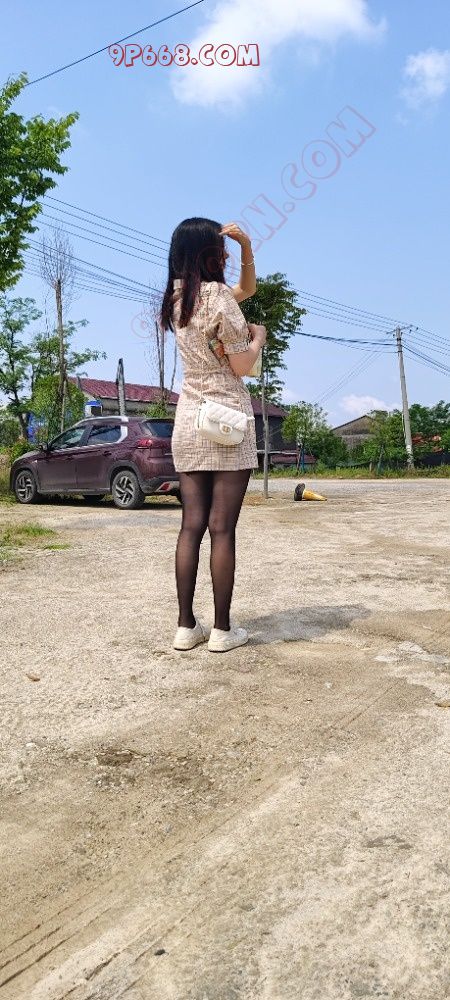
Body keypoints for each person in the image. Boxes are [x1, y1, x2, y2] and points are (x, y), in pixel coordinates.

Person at [160, 217, 267, 653]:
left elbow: (246, 289)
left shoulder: (176, 299)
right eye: (220, 249)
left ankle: (186, 627)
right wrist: (258, 338)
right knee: (222, 530)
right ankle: (222, 630)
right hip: (226, 420)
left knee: (191, 526)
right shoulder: (218, 296)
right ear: (207, 253)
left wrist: (246, 250)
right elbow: (242, 366)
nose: (225, 255)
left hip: (189, 419)